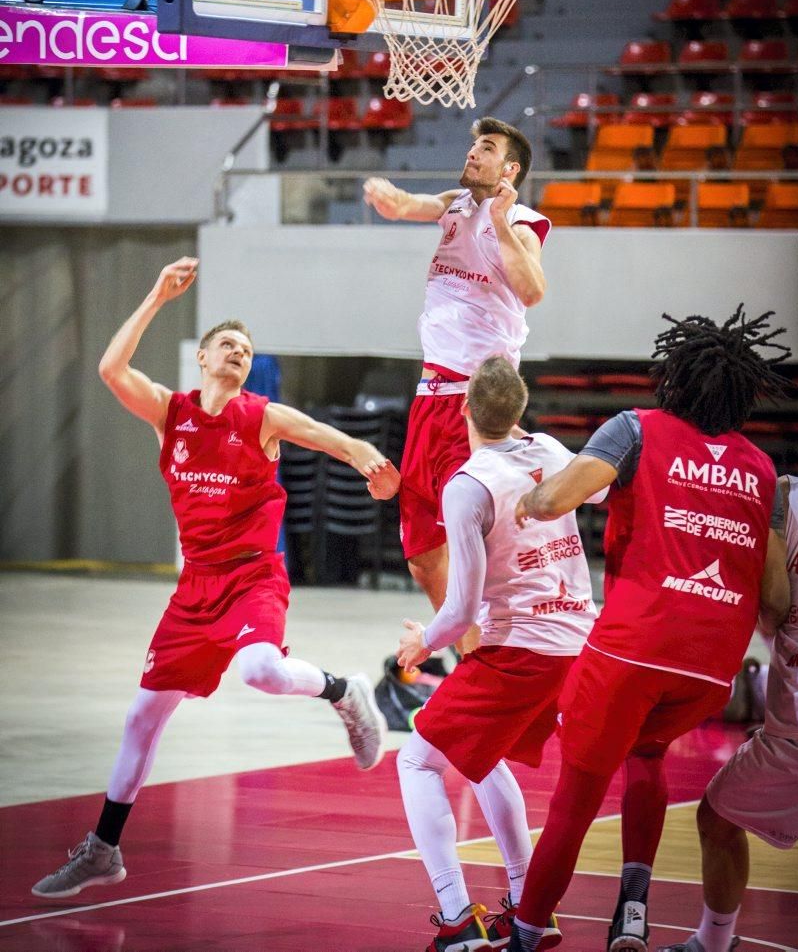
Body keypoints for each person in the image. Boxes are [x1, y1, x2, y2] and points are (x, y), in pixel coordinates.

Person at [32, 257, 399, 900]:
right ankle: (103, 849)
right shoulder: (169, 414)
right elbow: (110, 370)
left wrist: (370, 458)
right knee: (143, 717)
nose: (237, 352)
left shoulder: (260, 417)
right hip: (194, 589)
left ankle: (345, 691)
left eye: (246, 349)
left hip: (253, 578)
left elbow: (327, 436)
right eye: (226, 344)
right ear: (202, 358)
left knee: (259, 670)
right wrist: (155, 294)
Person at [506, 307, 791, 952]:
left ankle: (525, 932)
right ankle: (632, 910)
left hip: (633, 652)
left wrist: (527, 499)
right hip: (712, 673)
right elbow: (776, 595)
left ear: (676, 379)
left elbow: (556, 499)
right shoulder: (762, 470)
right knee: (647, 754)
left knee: (575, 798)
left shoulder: (635, 430)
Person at [395, 356, 607, 952]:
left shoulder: (468, 483)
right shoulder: (552, 451)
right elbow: (608, 483)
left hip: (521, 648)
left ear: (462, 409)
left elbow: (461, 612)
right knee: (483, 759)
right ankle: (528, 903)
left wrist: (422, 642)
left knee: (416, 763)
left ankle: (458, 919)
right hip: (575, 644)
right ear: (520, 409)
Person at [363, 117, 550, 650]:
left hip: (477, 402)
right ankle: (473, 661)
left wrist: (500, 220)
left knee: (484, 552)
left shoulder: (525, 221)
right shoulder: (454, 203)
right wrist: (388, 198)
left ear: (509, 168)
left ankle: (505, 657)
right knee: (424, 559)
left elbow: (533, 290)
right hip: (428, 399)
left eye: (485, 148)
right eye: (472, 145)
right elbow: (407, 205)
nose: (473, 153)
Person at [658, 474, 798, 952]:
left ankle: (712, 943)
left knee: (717, 817)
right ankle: (712, 943)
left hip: (792, 732)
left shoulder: (783, 501)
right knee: (718, 815)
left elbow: (773, 610)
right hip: (788, 733)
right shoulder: (783, 499)